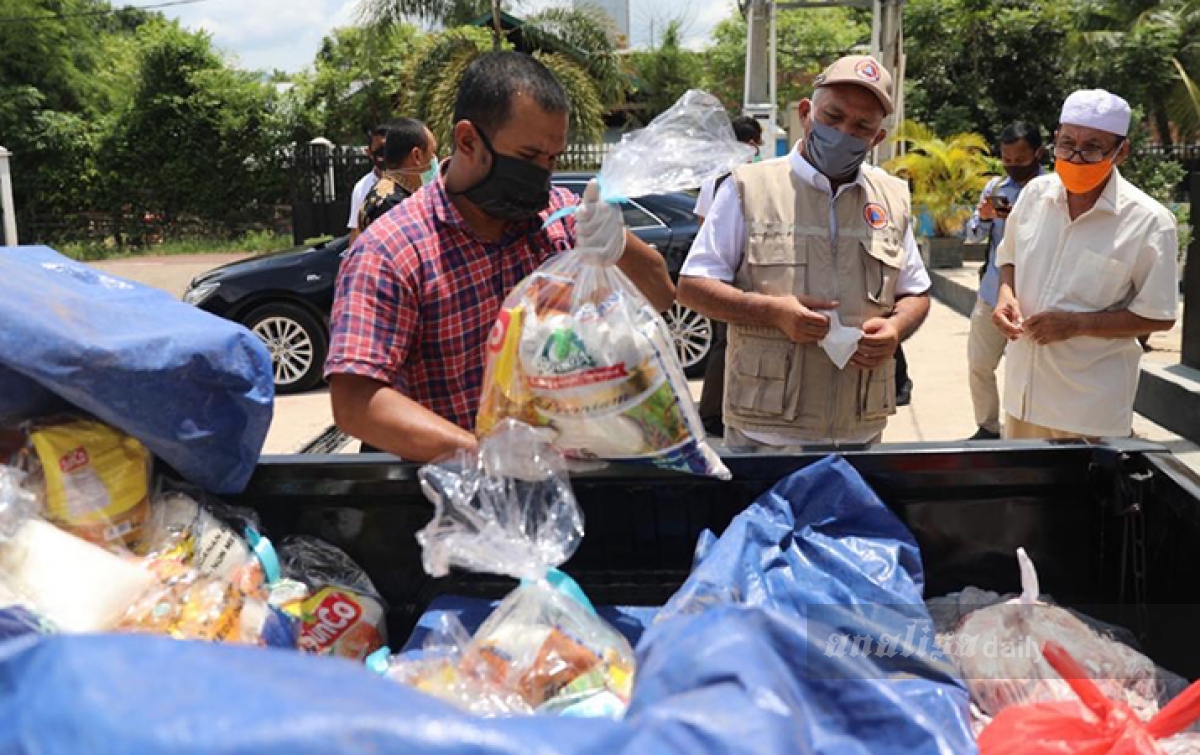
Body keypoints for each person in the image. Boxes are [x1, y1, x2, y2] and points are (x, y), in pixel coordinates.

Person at [325, 52, 675, 461]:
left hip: (579, 485)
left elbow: (661, 294)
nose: (542, 175)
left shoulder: (561, 221)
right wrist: (487, 454)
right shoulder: (394, 251)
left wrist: (618, 246)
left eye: (553, 158)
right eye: (527, 158)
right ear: (469, 140)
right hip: (458, 502)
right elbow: (355, 403)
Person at [678, 55, 931, 448]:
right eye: (833, 117)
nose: (844, 132)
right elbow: (693, 286)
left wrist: (896, 330)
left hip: (859, 432)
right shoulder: (749, 187)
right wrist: (771, 312)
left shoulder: (891, 198)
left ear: (876, 138)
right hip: (766, 432)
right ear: (806, 112)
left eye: (862, 126)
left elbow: (915, 292)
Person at [992, 89, 1178, 440]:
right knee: (1021, 493)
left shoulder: (1149, 222)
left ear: (1120, 152)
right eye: (1066, 143)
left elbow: (1160, 314)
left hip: (1088, 410)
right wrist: (1005, 295)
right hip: (1022, 395)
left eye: (1092, 147)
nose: (1075, 157)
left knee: (1080, 496)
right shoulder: (1035, 195)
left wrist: (1077, 324)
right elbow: (1009, 258)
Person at [961, 122, 1045, 440]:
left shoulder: (1054, 190)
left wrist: (1016, 218)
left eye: (1020, 159)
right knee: (979, 365)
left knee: (1028, 375)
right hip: (992, 293)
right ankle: (987, 427)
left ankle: (1022, 433)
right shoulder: (996, 189)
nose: (1012, 165)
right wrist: (983, 217)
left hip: (1036, 297)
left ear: (1037, 153)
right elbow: (971, 235)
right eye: (1006, 159)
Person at [695, 114, 765, 437]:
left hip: (716, 271)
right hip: (733, 273)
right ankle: (715, 413)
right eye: (756, 143)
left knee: (725, 345)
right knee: (729, 344)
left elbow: (701, 222)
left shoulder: (713, 176)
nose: (758, 150)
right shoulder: (743, 176)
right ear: (748, 144)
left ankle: (718, 411)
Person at [357, 118, 439, 232]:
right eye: (432, 153)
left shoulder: (384, 193)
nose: (434, 160)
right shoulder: (394, 206)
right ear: (416, 156)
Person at [694, 115, 764, 222]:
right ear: (751, 145)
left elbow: (703, 220)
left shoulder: (713, 178)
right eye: (759, 145)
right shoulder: (760, 179)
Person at [347, 124, 390, 246]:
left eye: (387, 148)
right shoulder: (361, 188)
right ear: (369, 152)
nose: (384, 153)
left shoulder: (410, 181)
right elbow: (356, 231)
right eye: (379, 149)